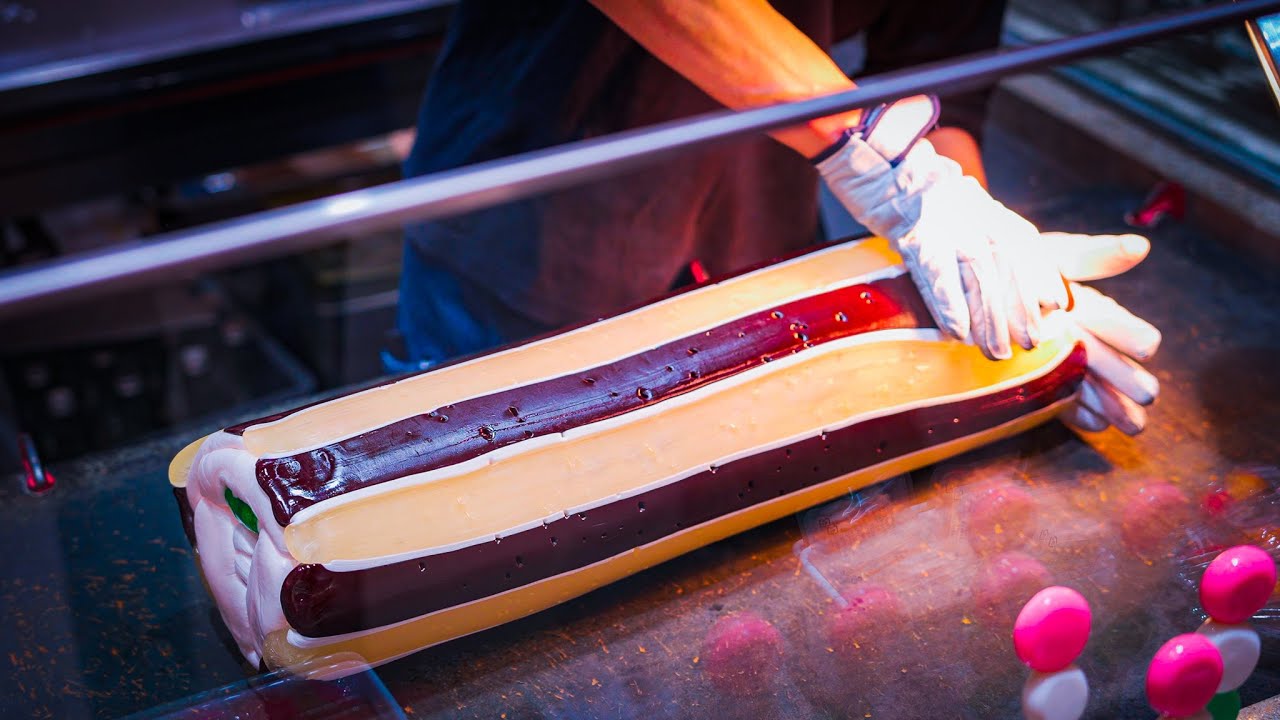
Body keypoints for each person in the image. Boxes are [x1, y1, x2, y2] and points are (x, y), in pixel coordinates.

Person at [392, 0, 1159, 434]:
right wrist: (894, 170)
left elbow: (939, 71)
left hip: (758, 240)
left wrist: (989, 273)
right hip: (534, 232)